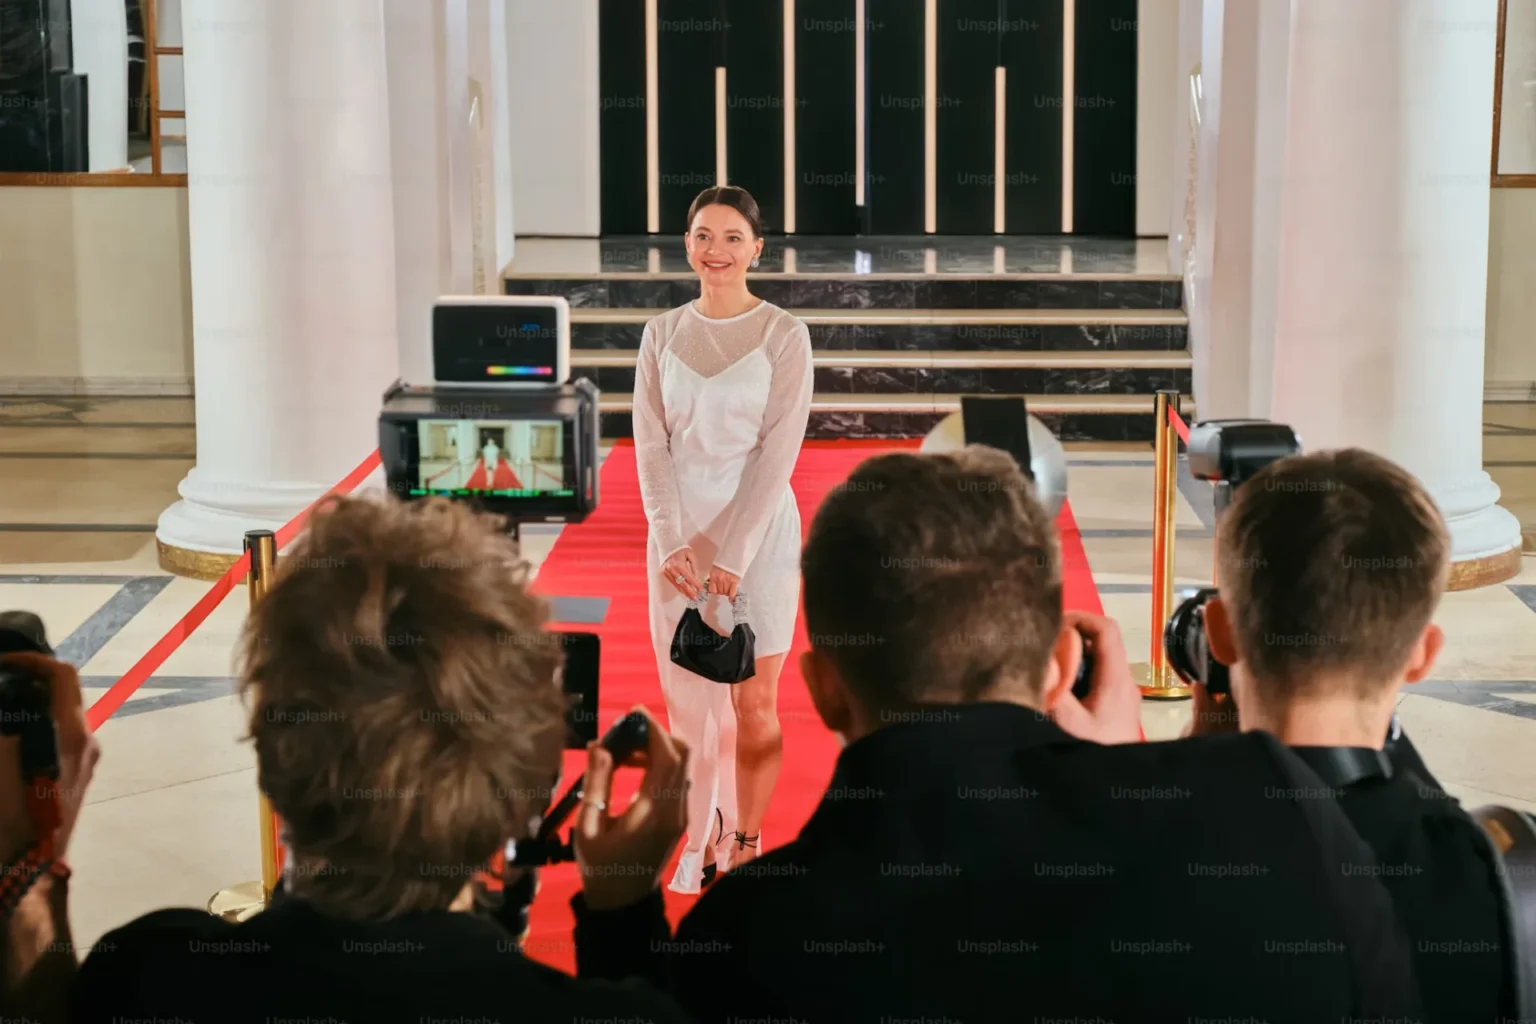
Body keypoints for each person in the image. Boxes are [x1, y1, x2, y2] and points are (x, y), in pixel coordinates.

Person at [570, 445, 1425, 1023]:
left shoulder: (748, 934)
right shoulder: (1264, 818)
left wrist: (619, 911)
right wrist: (1133, 781)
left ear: (822, 688)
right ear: (1062, 661)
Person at [0, 496, 691, 1024]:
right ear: (533, 783)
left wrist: (30, 855)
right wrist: (623, 909)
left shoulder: (150, 978)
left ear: (273, 752)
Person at [1193, 448, 1513, 1022]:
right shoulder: (1487, 877)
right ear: (1422, 655)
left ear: (1218, 634)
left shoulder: (1127, 839)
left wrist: (1196, 758)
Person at [633, 184, 813, 892]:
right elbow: (650, 446)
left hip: (759, 535)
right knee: (687, 707)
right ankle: (699, 830)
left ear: (757, 249)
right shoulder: (661, 334)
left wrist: (734, 558)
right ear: (686, 246)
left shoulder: (783, 335)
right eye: (704, 236)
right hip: (675, 539)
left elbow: (778, 454)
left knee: (752, 702)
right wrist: (671, 539)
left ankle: (745, 835)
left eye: (733, 237)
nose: (717, 251)